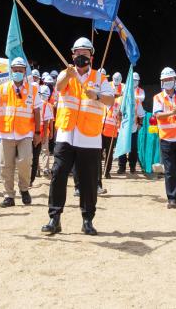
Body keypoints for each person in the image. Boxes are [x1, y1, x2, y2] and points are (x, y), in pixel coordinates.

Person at [43, 37, 116, 236]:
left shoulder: (100, 79)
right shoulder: (66, 74)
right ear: (72, 55)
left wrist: (97, 95)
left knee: (89, 181)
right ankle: (54, 218)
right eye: (78, 52)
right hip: (66, 135)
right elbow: (58, 87)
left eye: (85, 53)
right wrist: (69, 74)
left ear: (92, 56)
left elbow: (110, 100)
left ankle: (87, 220)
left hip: (90, 138)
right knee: (58, 175)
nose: (81, 56)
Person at [0, 56, 38, 207]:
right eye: (15, 70)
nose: (17, 72)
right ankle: (9, 195)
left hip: (25, 133)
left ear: (25, 72)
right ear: (11, 71)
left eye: (20, 70)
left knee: (25, 161)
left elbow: (37, 112)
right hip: (6, 132)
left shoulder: (33, 89)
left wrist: (37, 132)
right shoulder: (3, 88)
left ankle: (24, 189)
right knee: (5, 165)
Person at [152, 66, 176, 208]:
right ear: (162, 82)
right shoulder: (158, 98)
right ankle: (172, 198)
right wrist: (170, 113)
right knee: (169, 169)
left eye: (170, 79)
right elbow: (157, 115)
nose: (168, 81)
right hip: (167, 138)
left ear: (175, 80)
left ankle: (175, 192)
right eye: (166, 79)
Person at [117, 72, 147, 177]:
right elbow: (116, 113)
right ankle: (121, 167)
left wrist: (140, 124)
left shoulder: (137, 101)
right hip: (121, 129)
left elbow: (142, 114)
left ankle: (132, 167)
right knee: (121, 148)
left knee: (133, 149)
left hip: (133, 128)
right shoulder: (120, 100)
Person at [102, 72, 123, 180]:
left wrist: (120, 116)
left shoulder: (117, 105)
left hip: (111, 133)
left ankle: (107, 172)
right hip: (100, 131)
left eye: (114, 95)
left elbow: (120, 118)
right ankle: (98, 171)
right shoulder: (102, 103)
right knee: (98, 153)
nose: (113, 97)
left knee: (109, 154)